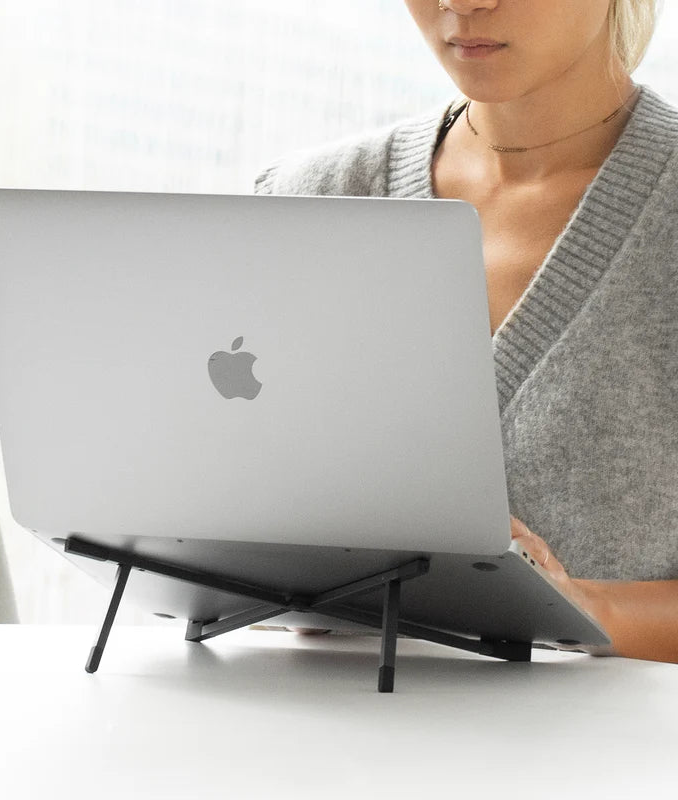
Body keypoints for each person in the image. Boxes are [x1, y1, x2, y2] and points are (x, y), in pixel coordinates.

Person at [255, 0, 678, 662]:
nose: (463, 3)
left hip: (591, 733)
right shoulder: (307, 199)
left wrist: (582, 609)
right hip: (301, 720)